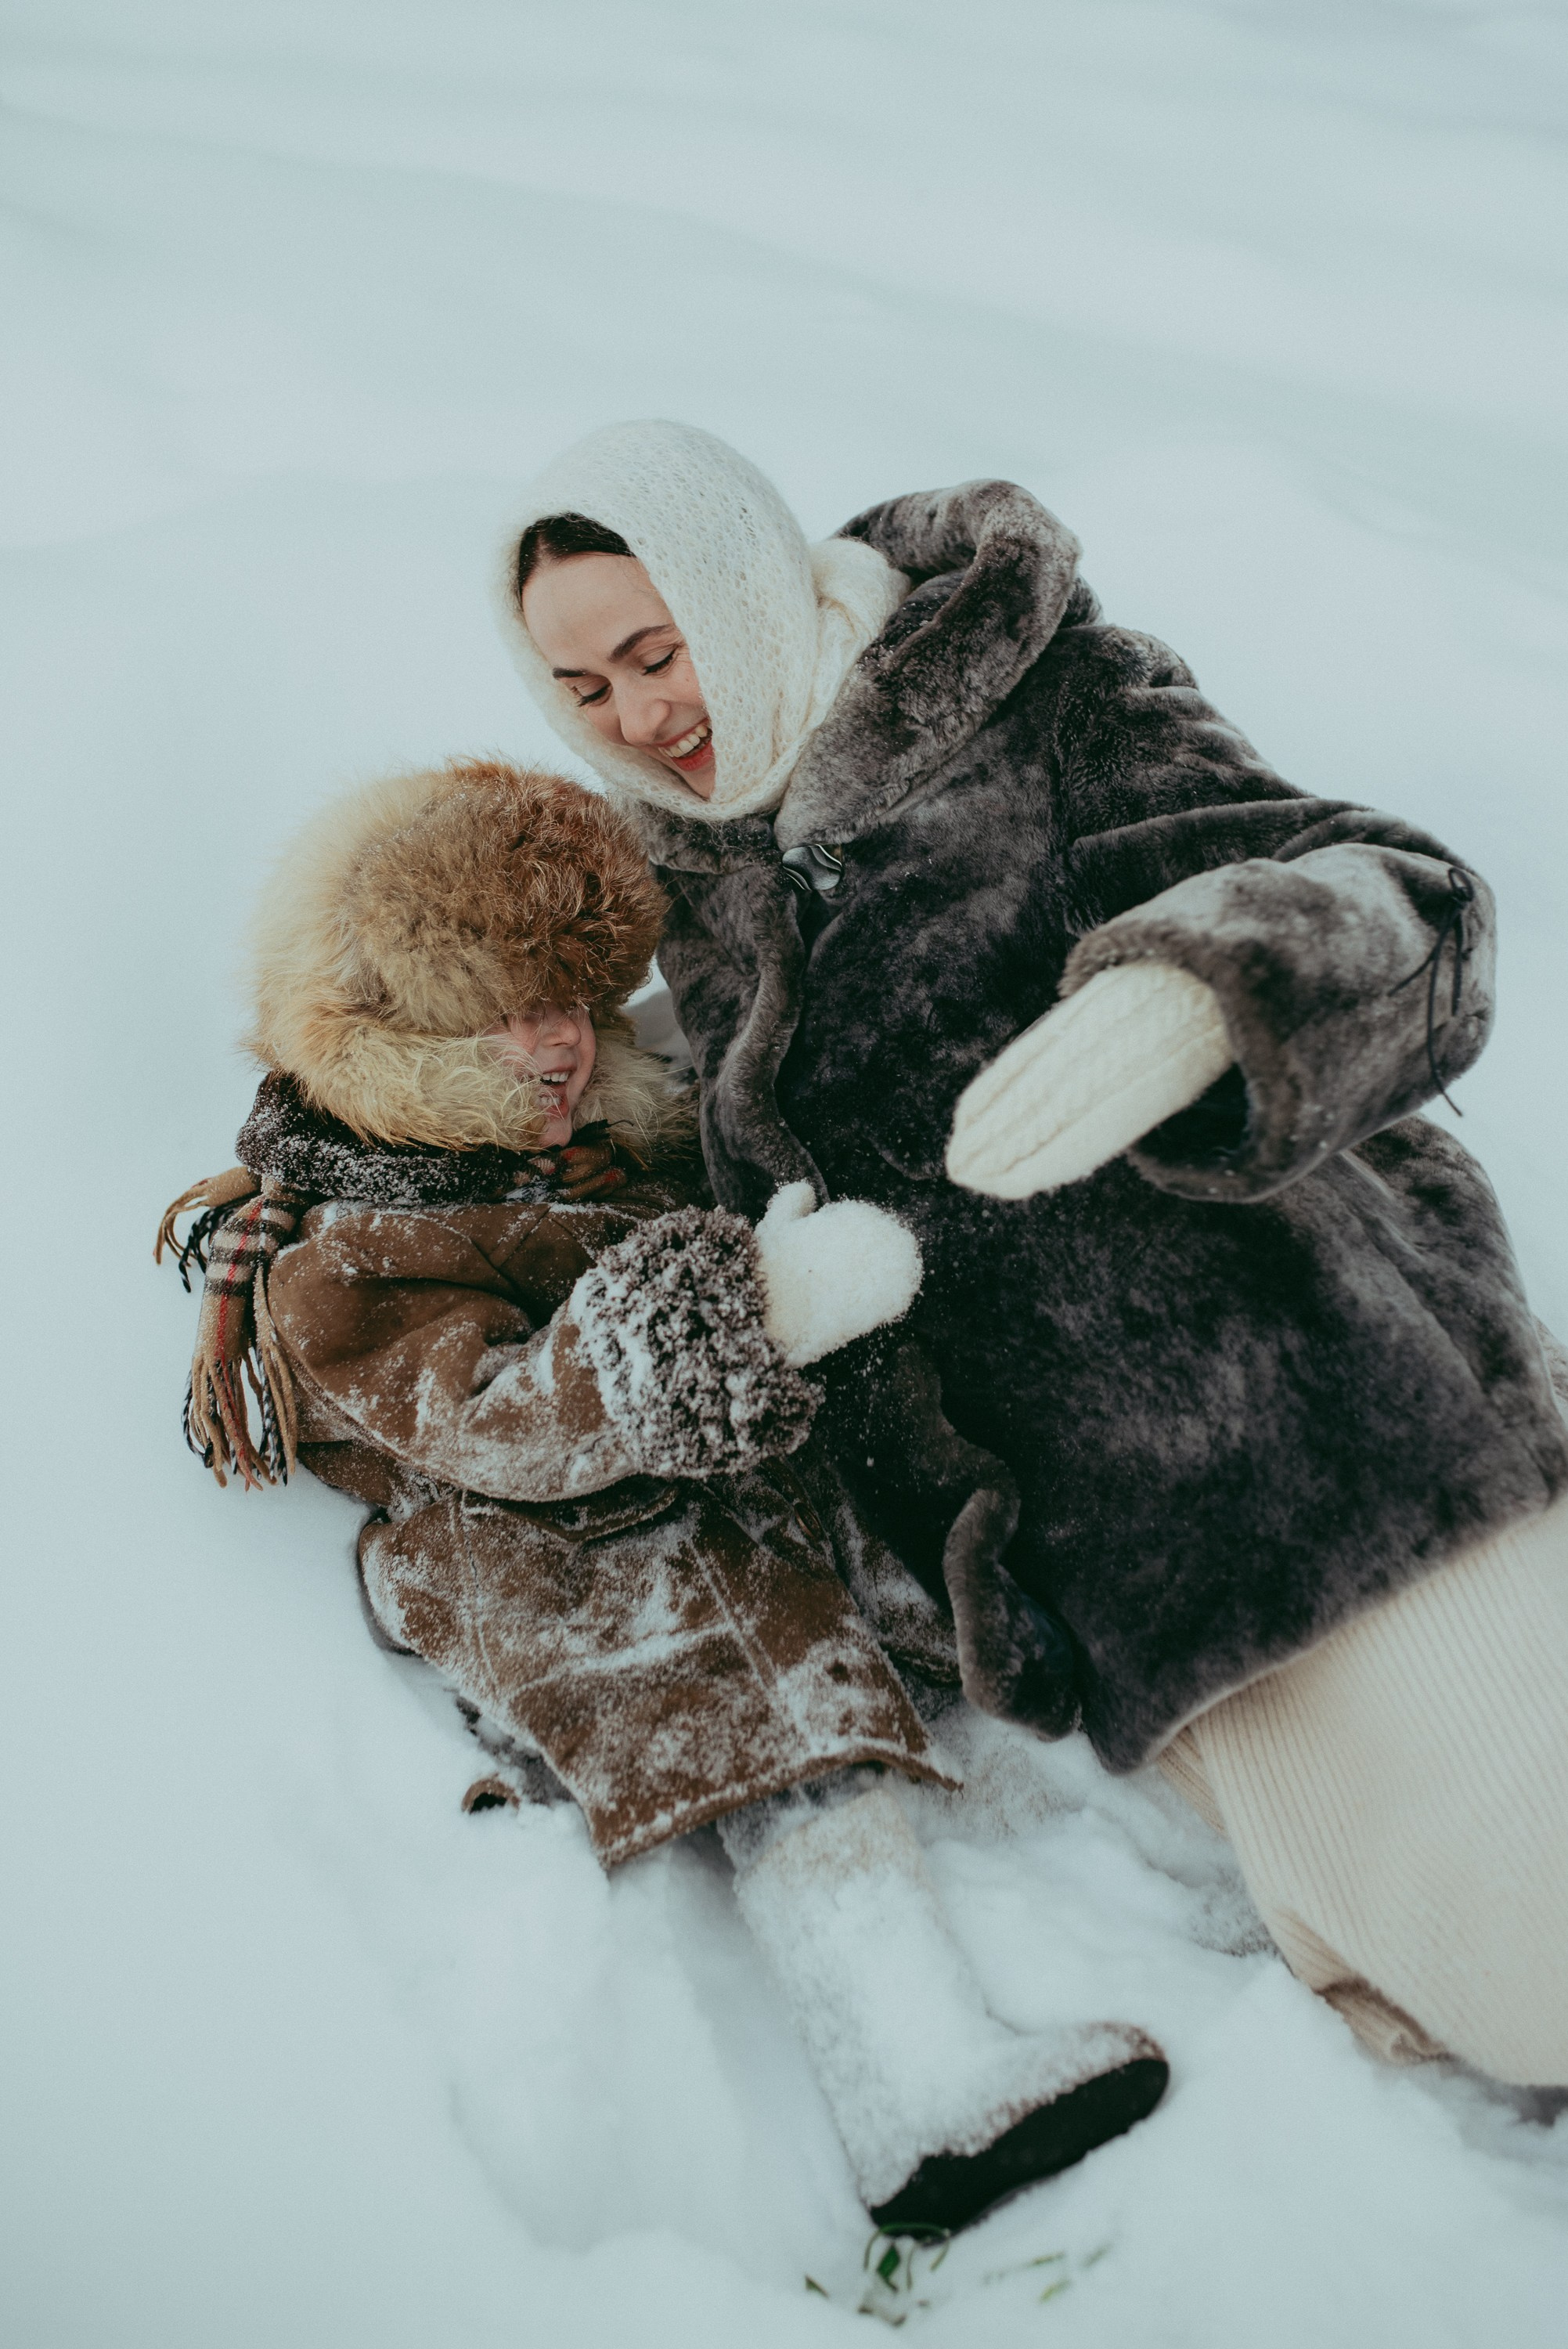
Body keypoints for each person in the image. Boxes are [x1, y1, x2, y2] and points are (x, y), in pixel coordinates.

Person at [498, 420, 1568, 2084]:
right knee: (1465, 2006)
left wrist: (1202, 997)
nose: (640, 717)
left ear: (745, 589)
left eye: (658, 649)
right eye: (584, 690)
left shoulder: (1030, 697)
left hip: (1343, 1442)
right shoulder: (697, 881)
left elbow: (1407, 896)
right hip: (1110, 1585)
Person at [158, 756, 1167, 2232]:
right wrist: (739, 1319)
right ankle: (917, 2081)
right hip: (566, 1566)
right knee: (769, 1698)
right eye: (506, 1009)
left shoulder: (600, 1146)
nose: (558, 1044)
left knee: (911, 1626)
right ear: (392, 1017)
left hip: (711, 1510)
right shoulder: (342, 1245)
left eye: (575, 997)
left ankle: (1123, 1864)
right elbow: (493, 1418)